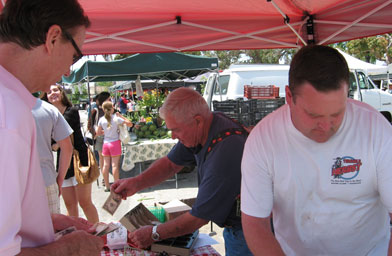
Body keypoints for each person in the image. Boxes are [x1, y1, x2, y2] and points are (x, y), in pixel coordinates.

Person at [241, 45, 392, 255]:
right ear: (288, 96)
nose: (326, 126)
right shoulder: (264, 139)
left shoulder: (377, 130)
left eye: (337, 113)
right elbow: (255, 222)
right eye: (313, 115)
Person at [0, 0, 103, 255]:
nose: (68, 70)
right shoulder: (7, 113)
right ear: (53, 38)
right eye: (75, 55)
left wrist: (43, 223)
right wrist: (71, 248)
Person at [112, 87, 252, 255]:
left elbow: (198, 218)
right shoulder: (204, 127)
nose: (172, 136)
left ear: (198, 121)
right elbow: (170, 164)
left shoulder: (226, 150)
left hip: (250, 231)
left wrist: (154, 234)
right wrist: (135, 182)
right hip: (236, 228)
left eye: (176, 129)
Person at [42, 84, 99, 224]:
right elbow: (51, 142)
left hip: (80, 160)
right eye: (49, 92)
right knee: (70, 205)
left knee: (85, 202)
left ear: (61, 93)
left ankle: (99, 232)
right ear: (46, 97)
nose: (53, 93)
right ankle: (76, 235)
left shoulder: (71, 111)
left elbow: (60, 136)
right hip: (64, 163)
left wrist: (56, 144)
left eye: (55, 90)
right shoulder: (48, 115)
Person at [32, 98, 74, 214]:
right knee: (52, 228)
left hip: (11, 182)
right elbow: (67, 148)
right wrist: (59, 180)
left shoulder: (6, 105)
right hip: (46, 178)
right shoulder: (48, 108)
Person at [97, 101, 133, 191]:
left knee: (105, 165)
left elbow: (98, 133)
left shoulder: (101, 119)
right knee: (115, 166)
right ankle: (116, 184)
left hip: (106, 143)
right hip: (115, 143)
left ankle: (107, 185)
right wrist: (121, 116)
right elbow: (130, 123)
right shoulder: (116, 118)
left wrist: (106, 132)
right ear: (112, 108)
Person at [88, 91, 111, 184]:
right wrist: (96, 133)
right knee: (102, 159)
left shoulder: (111, 109)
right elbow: (90, 124)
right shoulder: (96, 110)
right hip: (100, 138)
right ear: (104, 100)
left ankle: (105, 178)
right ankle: (104, 179)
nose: (111, 100)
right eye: (109, 99)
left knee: (108, 159)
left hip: (110, 137)